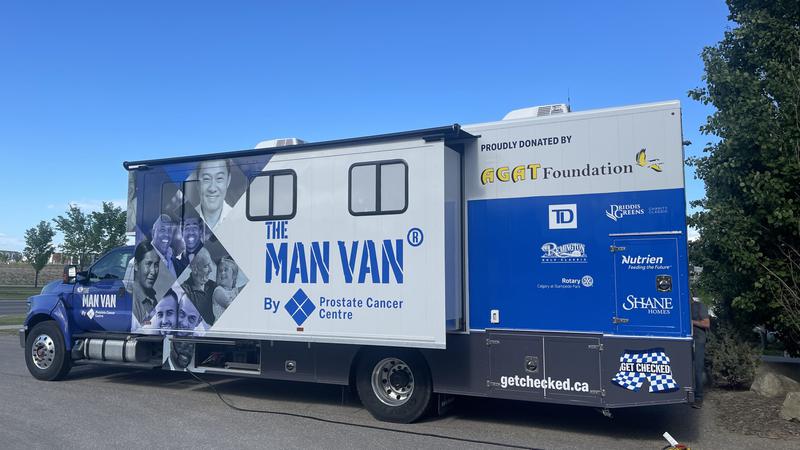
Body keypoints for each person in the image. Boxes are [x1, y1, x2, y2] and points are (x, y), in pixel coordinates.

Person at [180, 247, 217, 325]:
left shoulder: (213, 285)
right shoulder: (184, 292)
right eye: (206, 266)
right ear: (195, 269)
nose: (211, 270)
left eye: (210, 264)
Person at [196, 159, 233, 230]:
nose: (212, 189)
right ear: (197, 182)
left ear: (228, 180)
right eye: (206, 179)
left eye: (219, 178)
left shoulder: (239, 218)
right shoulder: (188, 218)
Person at [132, 240, 160, 328]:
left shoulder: (151, 297)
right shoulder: (133, 300)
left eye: (156, 265)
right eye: (148, 264)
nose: (153, 271)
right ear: (136, 265)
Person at [691, 292, 711, 408]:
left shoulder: (700, 306)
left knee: (698, 369)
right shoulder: (681, 307)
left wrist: (690, 322)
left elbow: (706, 323)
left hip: (698, 340)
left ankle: (699, 398)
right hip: (687, 340)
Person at [173, 210, 205, 276]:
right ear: (182, 233)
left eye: (194, 228)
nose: (191, 232)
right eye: (187, 228)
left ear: (201, 231)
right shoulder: (176, 263)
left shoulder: (210, 260)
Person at [212, 256, 239, 321]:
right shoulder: (218, 291)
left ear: (234, 275)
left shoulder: (235, 290)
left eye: (225, 270)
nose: (222, 273)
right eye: (220, 271)